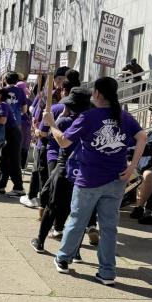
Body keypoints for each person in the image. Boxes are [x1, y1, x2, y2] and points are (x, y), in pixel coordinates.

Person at [43, 76, 146, 284]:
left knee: (77, 221)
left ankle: (63, 258)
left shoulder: (89, 117)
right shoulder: (124, 117)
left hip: (89, 179)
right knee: (109, 227)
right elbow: (142, 136)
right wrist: (132, 166)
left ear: (97, 94)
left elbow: (63, 142)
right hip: (116, 179)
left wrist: (51, 124)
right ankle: (107, 271)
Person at [31, 86, 92, 253]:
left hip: (64, 168)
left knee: (52, 206)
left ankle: (40, 241)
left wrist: (51, 123)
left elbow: (59, 140)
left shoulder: (65, 122)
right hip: (83, 171)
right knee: (77, 213)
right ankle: (76, 250)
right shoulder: (91, 122)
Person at [22, 68, 70, 207]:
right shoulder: (45, 96)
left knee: (46, 176)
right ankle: (35, 198)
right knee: (40, 171)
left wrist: (39, 130)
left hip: (55, 144)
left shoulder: (72, 100)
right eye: (58, 79)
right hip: (47, 142)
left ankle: (45, 206)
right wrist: (37, 129)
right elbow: (36, 116)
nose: (60, 83)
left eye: (63, 80)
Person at [0, 72, 27, 195]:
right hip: (12, 127)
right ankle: (0, 185)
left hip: (11, 130)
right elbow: (24, 109)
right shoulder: (21, 91)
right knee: (2, 159)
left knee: (13, 160)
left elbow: (1, 119)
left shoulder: (3, 98)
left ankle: (19, 188)